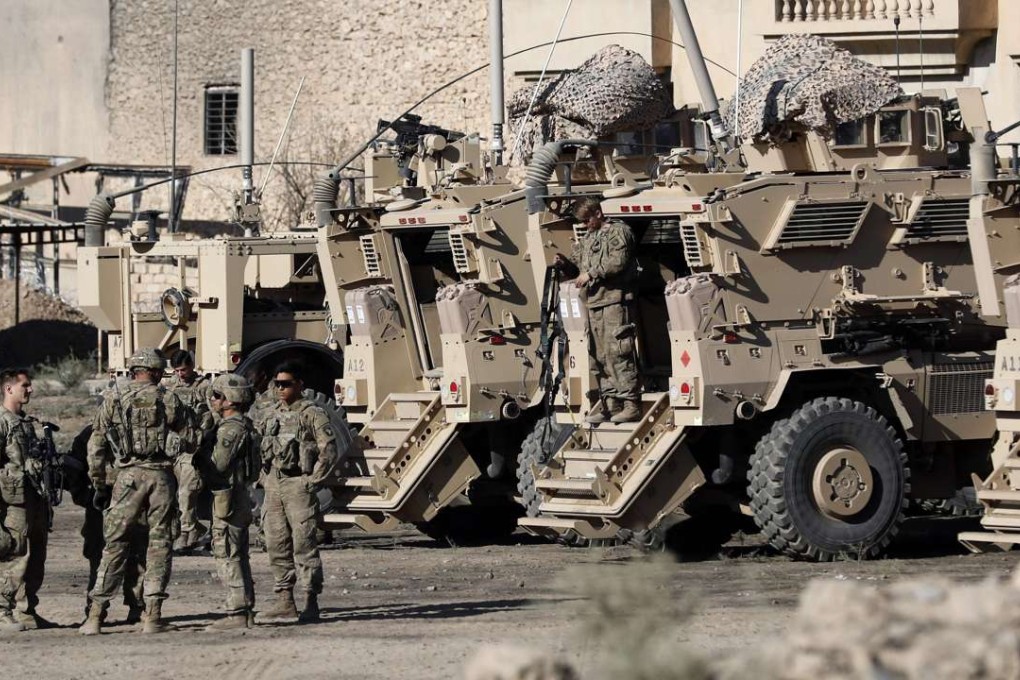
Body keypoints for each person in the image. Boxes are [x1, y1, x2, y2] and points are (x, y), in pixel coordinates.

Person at [79, 348, 192, 635]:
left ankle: (95, 616)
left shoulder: (113, 398)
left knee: (114, 545)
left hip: (127, 479)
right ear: (156, 371)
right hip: (161, 479)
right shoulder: (169, 398)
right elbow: (190, 437)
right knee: (159, 544)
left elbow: (96, 446)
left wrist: (98, 483)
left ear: (134, 371)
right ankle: (152, 616)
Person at [256, 362, 338, 623]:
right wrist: (262, 478)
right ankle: (285, 600)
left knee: (304, 543)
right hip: (274, 484)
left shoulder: (312, 413)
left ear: (299, 384)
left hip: (297, 484)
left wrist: (312, 481)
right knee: (276, 542)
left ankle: (311, 600)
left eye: (286, 384)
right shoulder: (270, 414)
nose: (281, 389)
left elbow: (329, 449)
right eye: (277, 384)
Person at [554, 197, 641, 424]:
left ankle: (631, 404)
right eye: (582, 222)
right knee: (598, 356)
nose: (584, 225)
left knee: (618, 353)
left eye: (587, 220)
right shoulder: (588, 238)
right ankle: (611, 404)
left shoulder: (619, 232)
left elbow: (618, 261)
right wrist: (564, 264)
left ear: (598, 214)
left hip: (614, 302)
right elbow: (577, 269)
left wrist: (591, 274)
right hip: (593, 303)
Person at [196, 374, 258, 630]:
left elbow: (218, 465)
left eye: (217, 396)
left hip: (229, 498)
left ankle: (237, 612)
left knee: (227, 553)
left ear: (231, 400)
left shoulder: (231, 429)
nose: (213, 400)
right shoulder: (243, 425)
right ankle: (245, 609)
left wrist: (200, 453)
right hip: (238, 497)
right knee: (238, 553)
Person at [0, 368, 55, 632]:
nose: (30, 389)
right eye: (25, 385)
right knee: (15, 554)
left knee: (36, 556)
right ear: (9, 389)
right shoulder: (2, 422)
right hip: (13, 504)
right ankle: (2, 610)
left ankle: (26, 610)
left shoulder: (26, 423)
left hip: (34, 498)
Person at [165, 350, 214, 553]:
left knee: (187, 492)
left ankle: (188, 532)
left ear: (192, 366)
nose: (180, 374)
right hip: (173, 449)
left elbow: (215, 413)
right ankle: (186, 531)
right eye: (176, 371)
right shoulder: (169, 387)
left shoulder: (204, 387)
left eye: (183, 370)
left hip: (194, 450)